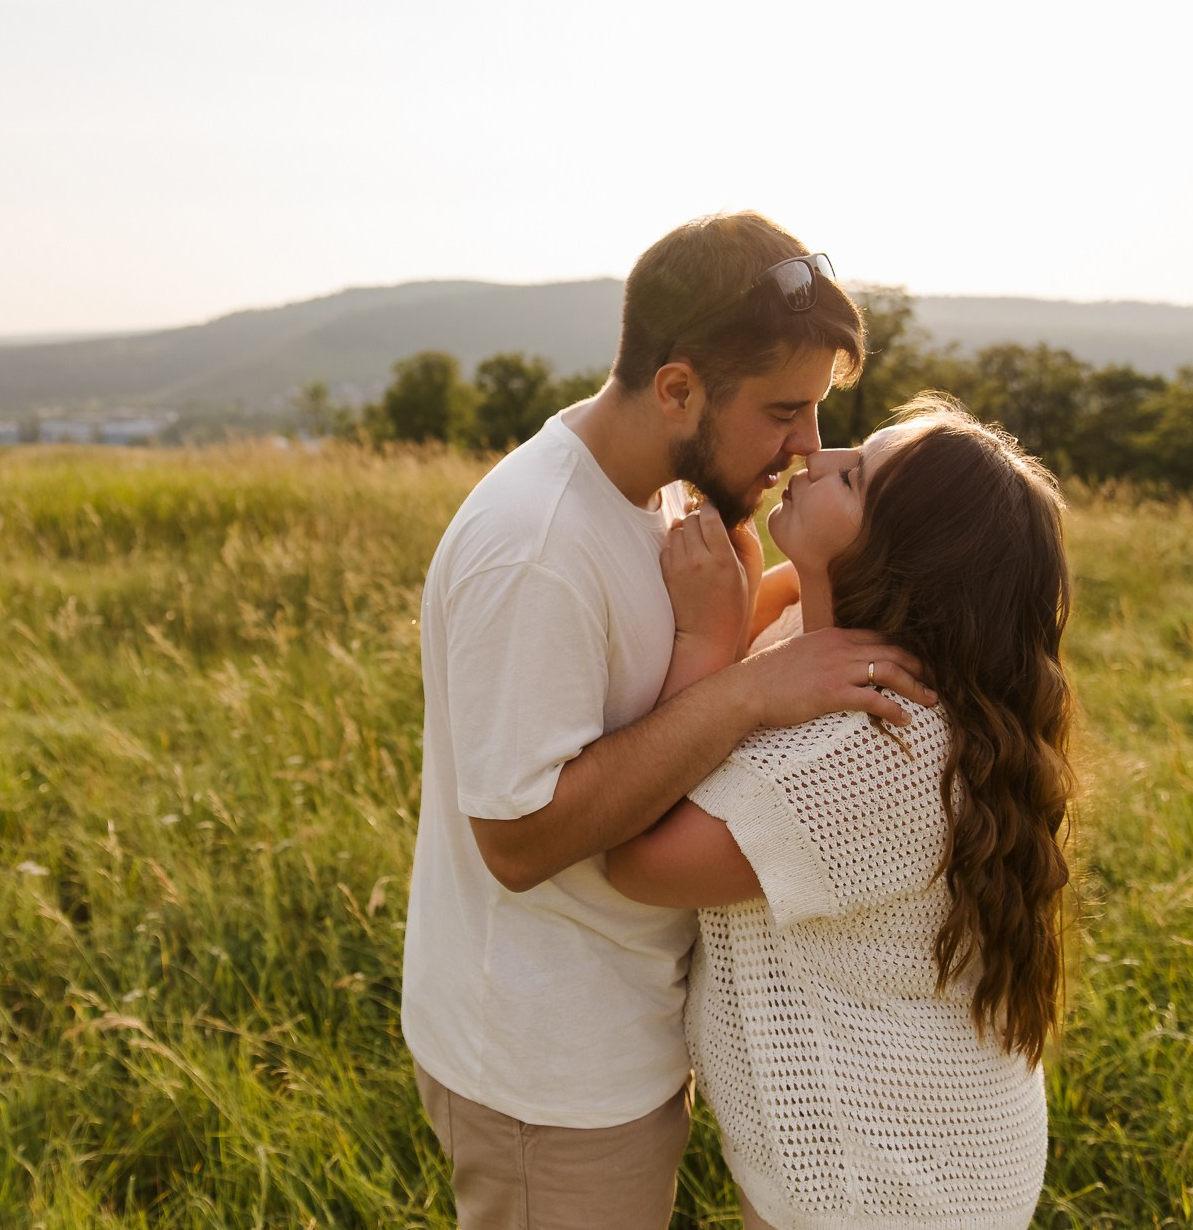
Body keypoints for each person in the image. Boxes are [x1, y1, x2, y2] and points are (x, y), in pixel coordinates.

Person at [400, 211, 936, 1229]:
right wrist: (742, 690)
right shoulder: (537, 551)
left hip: (615, 1026)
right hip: (541, 1070)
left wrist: (781, 603)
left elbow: (654, 689)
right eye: (784, 410)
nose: (805, 446)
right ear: (677, 386)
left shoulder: (657, 491)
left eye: (817, 411)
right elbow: (517, 841)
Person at [605, 397, 1074, 1229]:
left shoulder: (875, 748)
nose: (820, 454)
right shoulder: (829, 635)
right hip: (932, 1145)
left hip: (885, 1186)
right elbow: (773, 616)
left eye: (855, 475)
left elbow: (640, 857)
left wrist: (706, 651)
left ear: (893, 557)